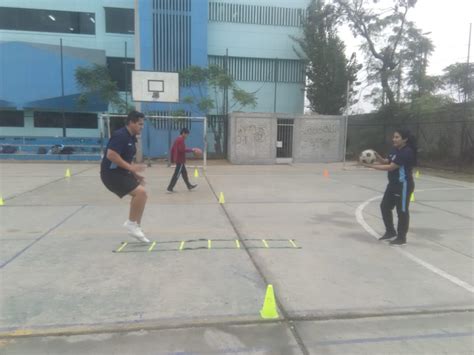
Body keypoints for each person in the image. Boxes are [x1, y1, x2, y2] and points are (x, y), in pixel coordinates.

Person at [100, 111, 150, 243]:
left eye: (142, 124)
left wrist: (135, 174)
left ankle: (136, 226)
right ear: (131, 122)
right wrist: (131, 168)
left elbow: (127, 159)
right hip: (111, 174)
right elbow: (111, 155)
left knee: (142, 195)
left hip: (121, 173)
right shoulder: (120, 135)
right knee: (141, 193)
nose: (142, 127)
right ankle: (131, 224)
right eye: (140, 124)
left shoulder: (132, 138)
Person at [362, 129, 417, 246]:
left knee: (402, 211)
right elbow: (387, 161)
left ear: (405, 139)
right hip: (392, 184)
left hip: (403, 185)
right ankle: (390, 231)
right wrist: (377, 156)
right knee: (384, 206)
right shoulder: (394, 149)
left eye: (397, 137)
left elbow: (391, 167)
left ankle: (402, 238)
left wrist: (371, 166)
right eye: (394, 137)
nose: (394, 139)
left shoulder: (407, 152)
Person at [167, 127, 198, 193]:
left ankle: (189, 185)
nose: (187, 136)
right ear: (183, 133)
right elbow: (181, 150)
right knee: (176, 174)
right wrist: (192, 150)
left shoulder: (178, 139)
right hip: (180, 160)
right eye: (186, 134)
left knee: (184, 174)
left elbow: (173, 149)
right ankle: (170, 187)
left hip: (180, 160)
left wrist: (173, 158)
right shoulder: (180, 140)